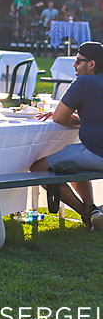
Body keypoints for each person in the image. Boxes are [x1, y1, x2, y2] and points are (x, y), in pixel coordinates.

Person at [31, 42, 103, 230]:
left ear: (92, 64)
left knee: (38, 168)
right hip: (92, 152)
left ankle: (87, 213)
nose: (74, 66)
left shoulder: (84, 83)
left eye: (78, 61)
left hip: (96, 153)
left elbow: (60, 118)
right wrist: (82, 119)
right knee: (72, 164)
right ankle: (93, 212)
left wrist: (67, 117)